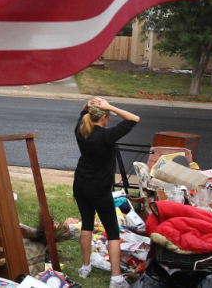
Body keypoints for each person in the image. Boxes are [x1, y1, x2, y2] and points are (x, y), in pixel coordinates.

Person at [74, 97, 140, 288]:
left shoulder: (81, 130)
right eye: (108, 116)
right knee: (112, 231)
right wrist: (109, 106)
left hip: (81, 185)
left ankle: (85, 267)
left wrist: (90, 104)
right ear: (104, 117)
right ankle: (116, 278)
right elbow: (134, 119)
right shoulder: (106, 136)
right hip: (100, 190)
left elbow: (82, 112)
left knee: (86, 224)